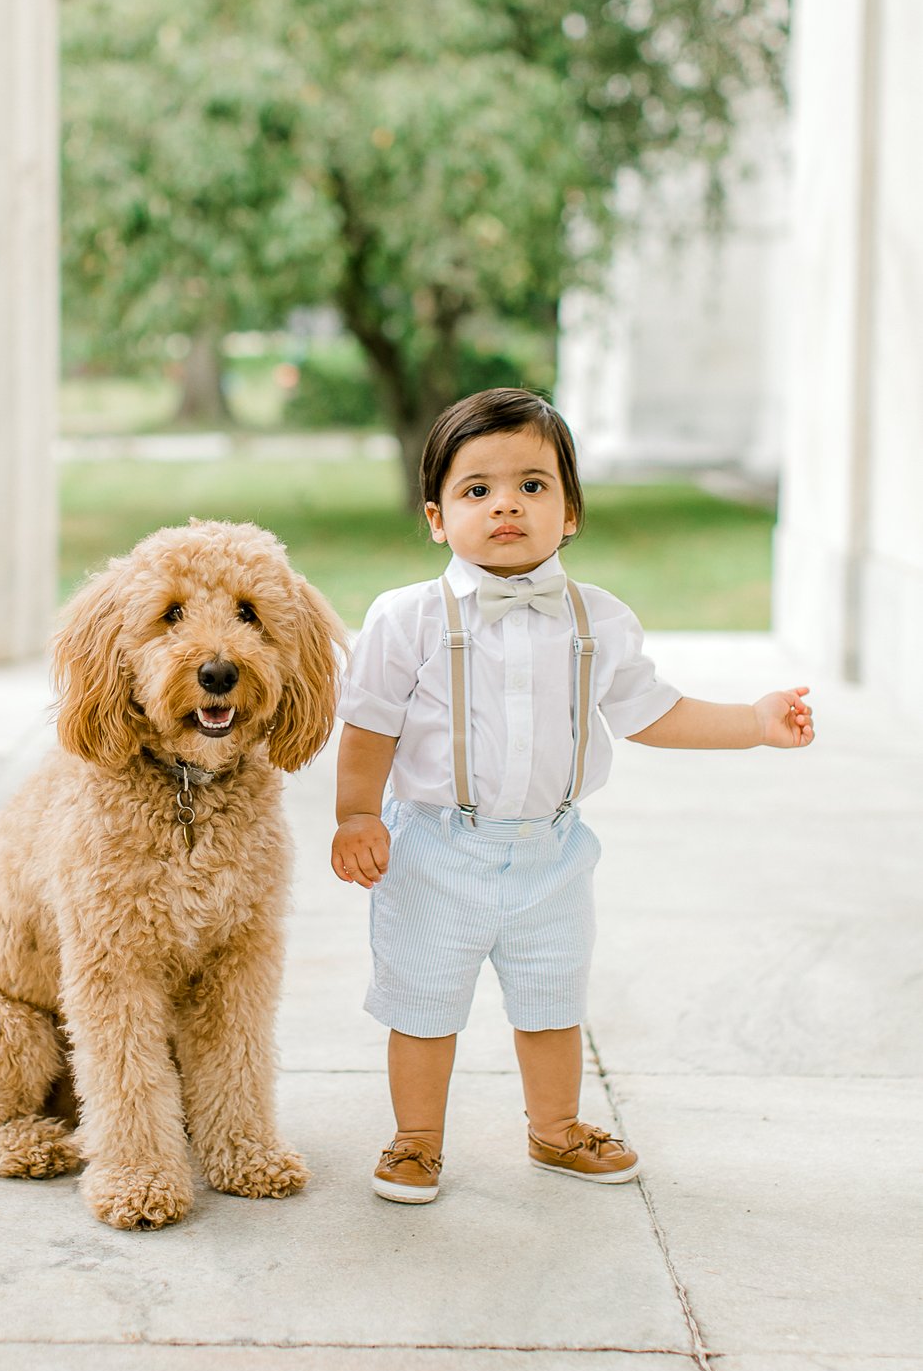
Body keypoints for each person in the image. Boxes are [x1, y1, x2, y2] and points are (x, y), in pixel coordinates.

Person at [328, 388, 812, 1204]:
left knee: (553, 998)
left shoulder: (599, 619)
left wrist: (755, 722)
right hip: (435, 849)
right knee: (423, 1002)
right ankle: (416, 1139)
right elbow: (371, 725)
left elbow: (656, 712)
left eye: (532, 484)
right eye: (476, 489)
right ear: (438, 518)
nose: (506, 503)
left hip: (552, 853)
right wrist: (355, 814)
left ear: (571, 510)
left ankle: (555, 1128)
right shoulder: (406, 618)